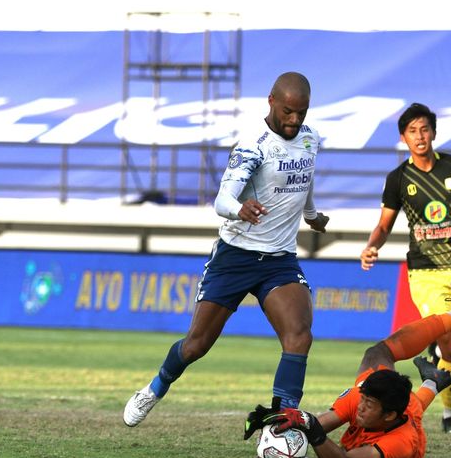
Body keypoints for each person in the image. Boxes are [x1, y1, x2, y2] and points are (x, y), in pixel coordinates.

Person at [123, 72, 330, 427]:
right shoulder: (253, 146)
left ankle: (281, 425)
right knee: (196, 346)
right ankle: (155, 387)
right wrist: (240, 209)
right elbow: (222, 199)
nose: (295, 120)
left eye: (302, 112)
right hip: (236, 256)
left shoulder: (310, 139)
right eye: (288, 111)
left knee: (299, 336)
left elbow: (304, 179)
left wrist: (311, 215)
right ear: (271, 101)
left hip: (279, 259)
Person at [359, 102, 451, 435]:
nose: (419, 136)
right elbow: (384, 224)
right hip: (425, 273)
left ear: (433, 132)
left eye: (424, 129)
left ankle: (440, 350)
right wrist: (372, 246)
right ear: (403, 138)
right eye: (412, 131)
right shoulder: (398, 179)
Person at [245, 277, 451, 458]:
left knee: (414, 409)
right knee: (377, 353)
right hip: (396, 403)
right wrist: (274, 439)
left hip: (405, 424)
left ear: (389, 416)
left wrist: (312, 431)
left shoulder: (401, 444)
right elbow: (317, 424)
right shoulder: (361, 398)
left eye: (368, 404)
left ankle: (432, 382)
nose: (361, 406)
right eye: (364, 399)